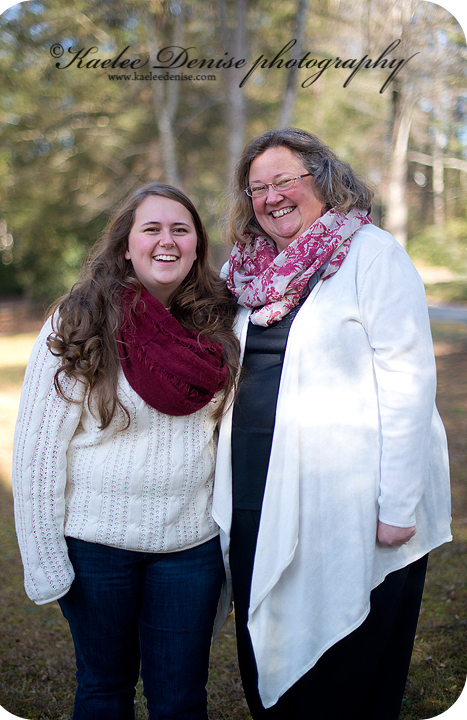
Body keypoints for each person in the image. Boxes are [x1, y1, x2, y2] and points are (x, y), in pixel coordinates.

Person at [212, 128, 452, 720]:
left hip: (353, 499)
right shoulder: (241, 270)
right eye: (257, 188)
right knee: (264, 630)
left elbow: (408, 381)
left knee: (346, 663)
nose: (271, 197)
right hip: (255, 488)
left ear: (322, 178)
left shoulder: (371, 254)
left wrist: (398, 504)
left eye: (283, 181)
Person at [12, 182, 240, 720]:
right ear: (125, 245)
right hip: (96, 549)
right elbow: (37, 452)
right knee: (104, 691)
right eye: (152, 228)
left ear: (197, 246)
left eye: (180, 229)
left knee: (181, 699)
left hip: (189, 548)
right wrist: (44, 558)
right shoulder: (79, 320)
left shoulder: (221, 323)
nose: (167, 241)